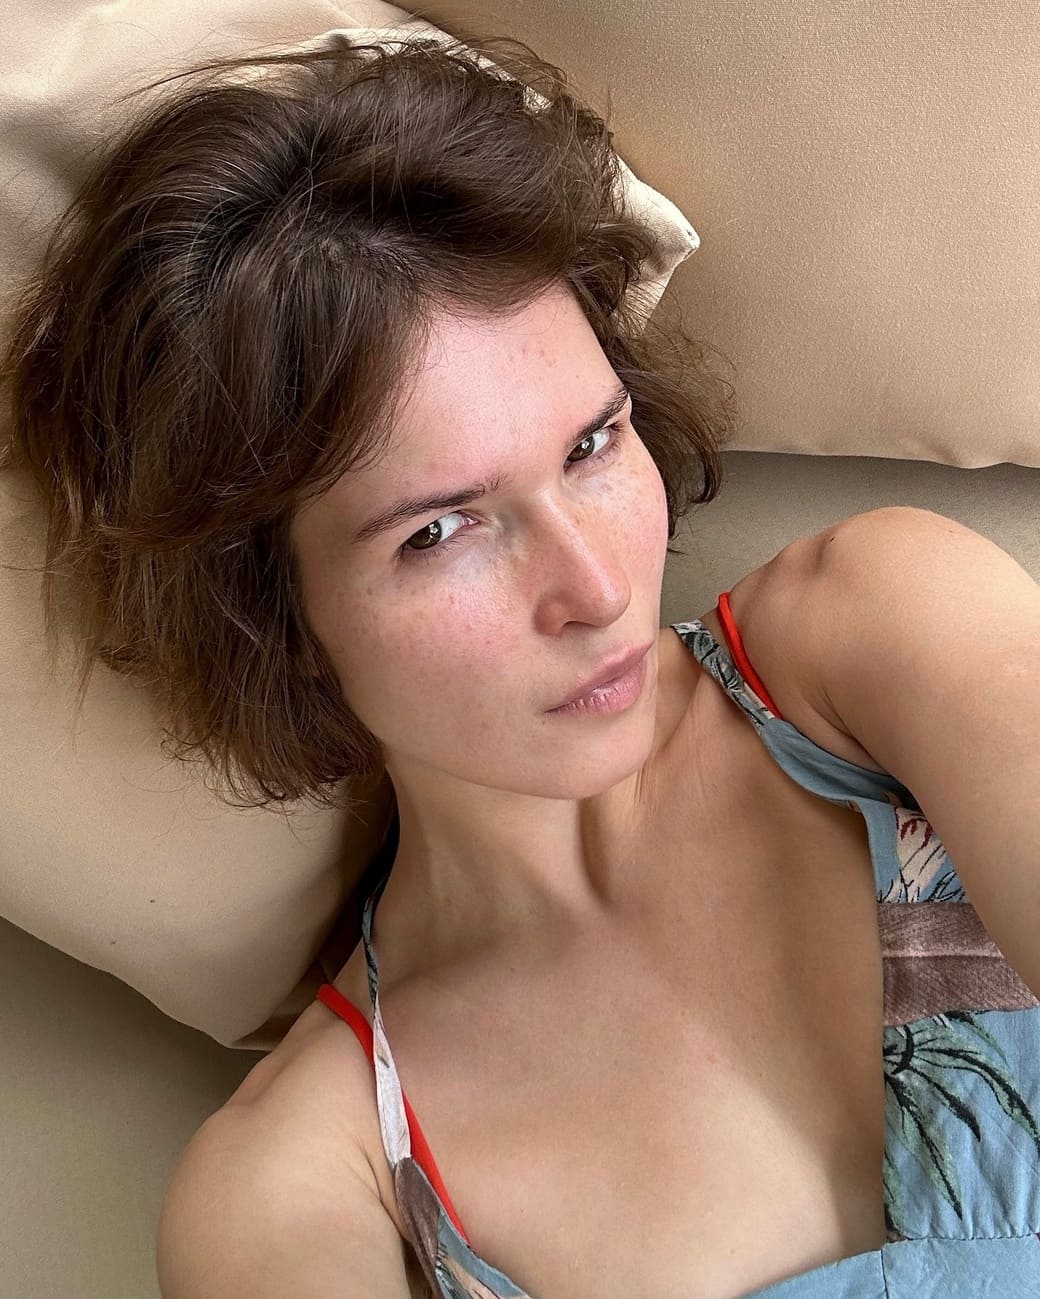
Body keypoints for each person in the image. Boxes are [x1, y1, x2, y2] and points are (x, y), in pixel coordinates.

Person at [3, 28, 1038, 1299]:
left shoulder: (874, 624)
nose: (596, 589)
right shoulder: (303, 1187)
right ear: (270, 611)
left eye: (591, 447)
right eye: (439, 531)